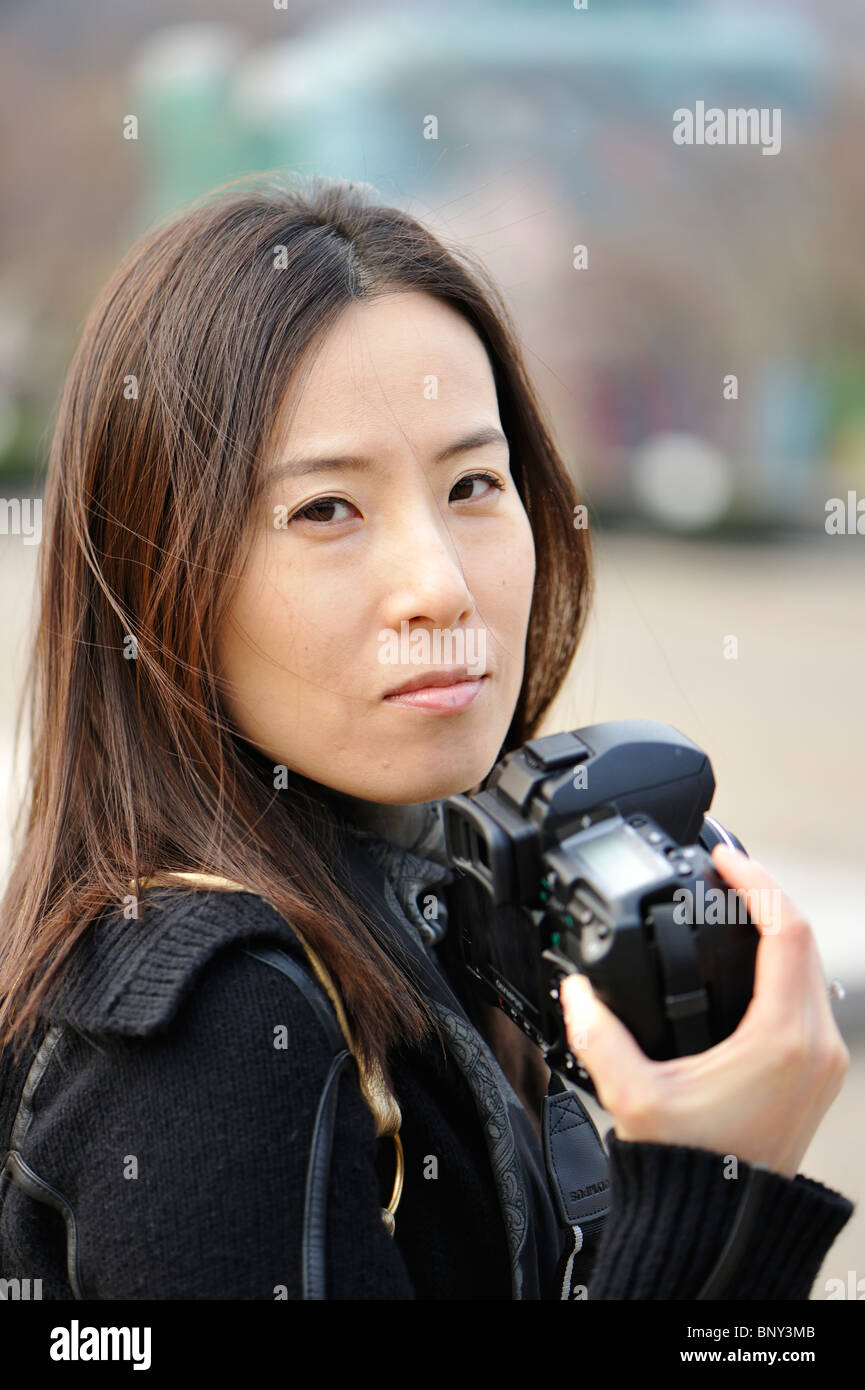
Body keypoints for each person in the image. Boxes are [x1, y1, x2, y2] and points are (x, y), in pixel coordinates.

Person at [0, 173, 853, 1301]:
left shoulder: (443, 902)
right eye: (325, 510)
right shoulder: (217, 1042)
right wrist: (711, 1193)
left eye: (472, 483)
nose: (441, 587)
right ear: (157, 575)